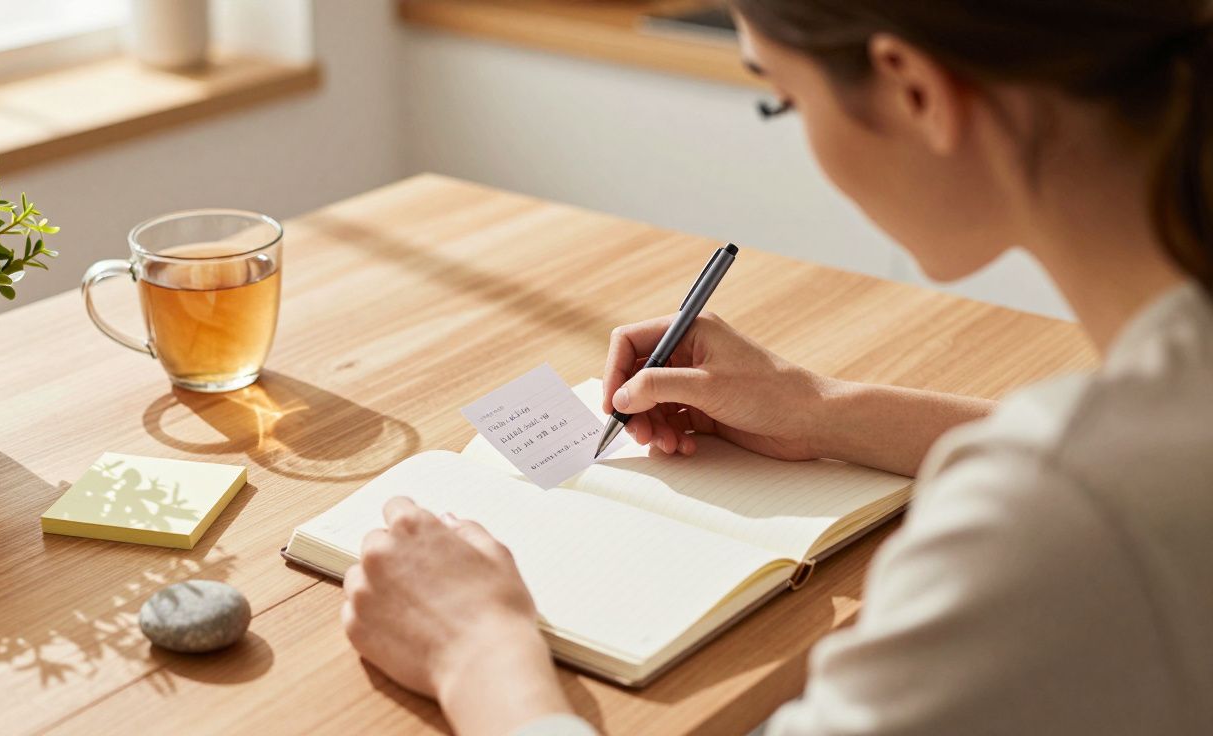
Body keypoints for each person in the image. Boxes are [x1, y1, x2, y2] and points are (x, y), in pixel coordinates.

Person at [338, 1, 1213, 733]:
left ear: (914, 90)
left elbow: (1087, 487)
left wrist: (479, 654)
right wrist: (823, 409)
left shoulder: (1049, 524)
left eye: (783, 99)